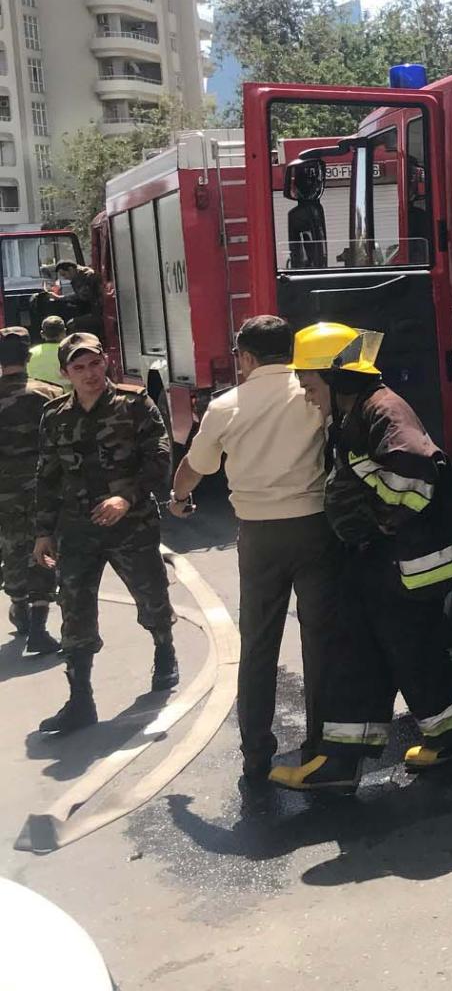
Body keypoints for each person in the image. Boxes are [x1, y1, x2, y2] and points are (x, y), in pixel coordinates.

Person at [270, 322, 452, 792]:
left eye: (309, 384)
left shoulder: (381, 410)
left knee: (409, 648)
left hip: (409, 560)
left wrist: (376, 519)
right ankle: (344, 758)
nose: (307, 395)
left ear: (335, 377)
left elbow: (413, 472)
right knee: (362, 646)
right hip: (386, 558)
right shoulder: (357, 410)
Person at [172, 315, 334, 784]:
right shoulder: (312, 393)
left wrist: (179, 499)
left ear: (245, 356)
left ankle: (256, 753)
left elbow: (194, 465)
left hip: (260, 537)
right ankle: (321, 745)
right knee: (319, 641)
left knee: (259, 645)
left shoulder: (226, 405)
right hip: (315, 528)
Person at [32, 332, 177, 736]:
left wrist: (126, 498)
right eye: (79, 368)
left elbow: (160, 458)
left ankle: (164, 649)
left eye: (94, 364)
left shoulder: (134, 404)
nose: (90, 374)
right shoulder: (56, 415)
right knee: (74, 610)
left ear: (106, 362)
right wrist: (43, 531)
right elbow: (47, 475)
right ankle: (80, 701)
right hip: (77, 531)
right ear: (65, 374)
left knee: (151, 595)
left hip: (132, 525)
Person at [0, 328, 61, 655]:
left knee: (12, 543)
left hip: (4, 491)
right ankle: (39, 621)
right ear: (27, 357)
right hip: (44, 487)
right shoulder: (49, 395)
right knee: (45, 545)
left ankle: (19, 606)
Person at [29, 316, 68, 386]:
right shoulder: (71, 352)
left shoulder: (30, 353)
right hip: (66, 395)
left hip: (39, 395)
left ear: (42, 334)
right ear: (64, 332)